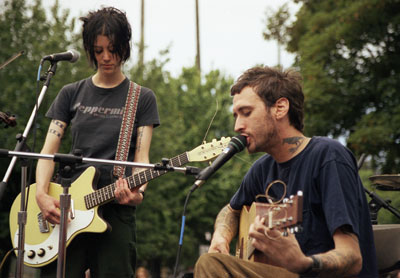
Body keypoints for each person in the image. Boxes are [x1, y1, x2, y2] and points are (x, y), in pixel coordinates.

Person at [194, 66, 377, 277]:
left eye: (246, 113)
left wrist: (303, 262)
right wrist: (221, 236)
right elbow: (231, 210)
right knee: (211, 261)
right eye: (236, 115)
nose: (237, 126)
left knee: (210, 265)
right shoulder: (261, 170)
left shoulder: (328, 157)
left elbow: (353, 258)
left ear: (280, 108)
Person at [33, 7, 159, 277]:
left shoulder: (142, 98)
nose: (105, 57)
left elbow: (142, 158)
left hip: (115, 207)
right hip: (66, 207)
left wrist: (138, 193)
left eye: (112, 49)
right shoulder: (70, 93)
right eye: (98, 50)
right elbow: (47, 152)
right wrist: (41, 194)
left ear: (124, 47)